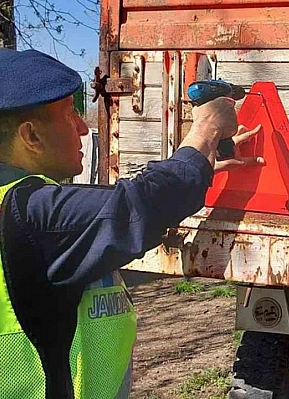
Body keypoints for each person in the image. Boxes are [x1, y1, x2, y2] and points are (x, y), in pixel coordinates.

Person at [0, 49, 261, 398]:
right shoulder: (31, 212)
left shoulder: (23, 206)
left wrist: (201, 163)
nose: (82, 127)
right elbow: (140, 205)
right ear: (30, 136)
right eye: (69, 116)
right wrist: (207, 128)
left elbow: (110, 209)